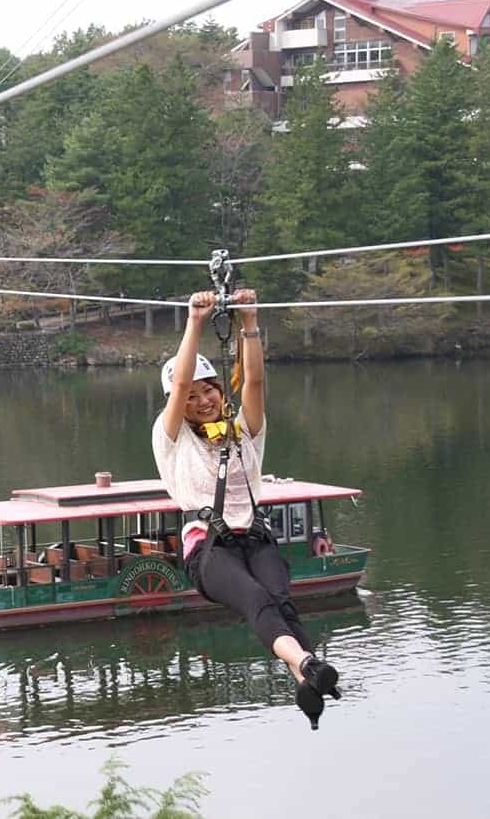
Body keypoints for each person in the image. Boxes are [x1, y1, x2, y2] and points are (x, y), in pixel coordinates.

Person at [153, 288, 341, 729]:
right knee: (256, 598)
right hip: (208, 549)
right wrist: (195, 322)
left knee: (282, 604)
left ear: (221, 391)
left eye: (210, 391)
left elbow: (254, 383)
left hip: (255, 537)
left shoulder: (244, 432)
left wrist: (251, 322)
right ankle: (308, 666)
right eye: (193, 395)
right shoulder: (172, 439)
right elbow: (179, 383)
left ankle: (306, 674)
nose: (203, 400)